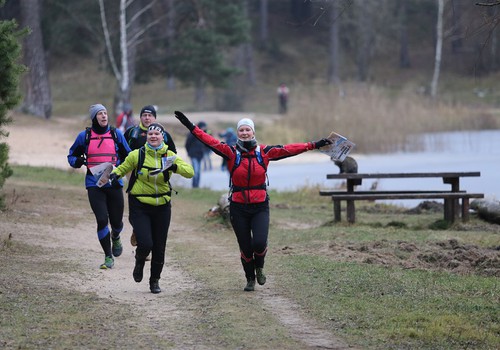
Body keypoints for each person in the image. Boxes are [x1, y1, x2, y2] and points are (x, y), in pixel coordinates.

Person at [174, 111, 332, 291]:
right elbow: (209, 140)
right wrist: (191, 127)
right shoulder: (231, 152)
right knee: (246, 248)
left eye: (247, 129)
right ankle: (250, 278)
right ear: (237, 133)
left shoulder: (264, 152)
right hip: (238, 207)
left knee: (259, 243)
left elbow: (290, 149)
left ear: (253, 132)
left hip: (260, 206)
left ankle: (260, 267)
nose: (244, 133)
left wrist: (314, 145)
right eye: (241, 130)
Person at [109, 123, 194, 294]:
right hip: (139, 204)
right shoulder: (137, 155)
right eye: (150, 134)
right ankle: (140, 261)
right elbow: (123, 168)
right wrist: (113, 175)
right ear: (146, 136)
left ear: (163, 137)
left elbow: (190, 172)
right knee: (146, 242)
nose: (153, 136)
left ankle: (154, 281)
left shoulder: (169, 156)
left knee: (159, 247)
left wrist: (174, 166)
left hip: (162, 206)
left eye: (157, 134)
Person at [67, 104, 131, 269]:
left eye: (105, 113)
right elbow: (71, 156)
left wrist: (119, 169)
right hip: (94, 184)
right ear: (94, 117)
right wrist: (78, 162)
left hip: (114, 182)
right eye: (100, 114)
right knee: (102, 219)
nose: (104, 116)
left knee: (116, 222)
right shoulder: (85, 136)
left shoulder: (116, 134)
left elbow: (129, 156)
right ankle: (108, 256)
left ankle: (116, 236)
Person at [124, 105, 177, 248]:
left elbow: (173, 154)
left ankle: (144, 238)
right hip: (134, 172)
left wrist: (166, 169)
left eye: (150, 115)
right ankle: (138, 229)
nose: (147, 118)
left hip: (157, 174)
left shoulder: (164, 135)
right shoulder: (132, 132)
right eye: (144, 115)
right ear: (140, 117)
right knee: (134, 212)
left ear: (155, 118)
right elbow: (121, 150)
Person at [185, 121, 208, 188]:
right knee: (196, 171)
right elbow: (187, 144)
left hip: (200, 155)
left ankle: (197, 185)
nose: (204, 128)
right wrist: (189, 152)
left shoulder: (204, 134)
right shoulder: (192, 133)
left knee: (198, 171)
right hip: (193, 154)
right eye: (203, 127)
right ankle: (194, 185)